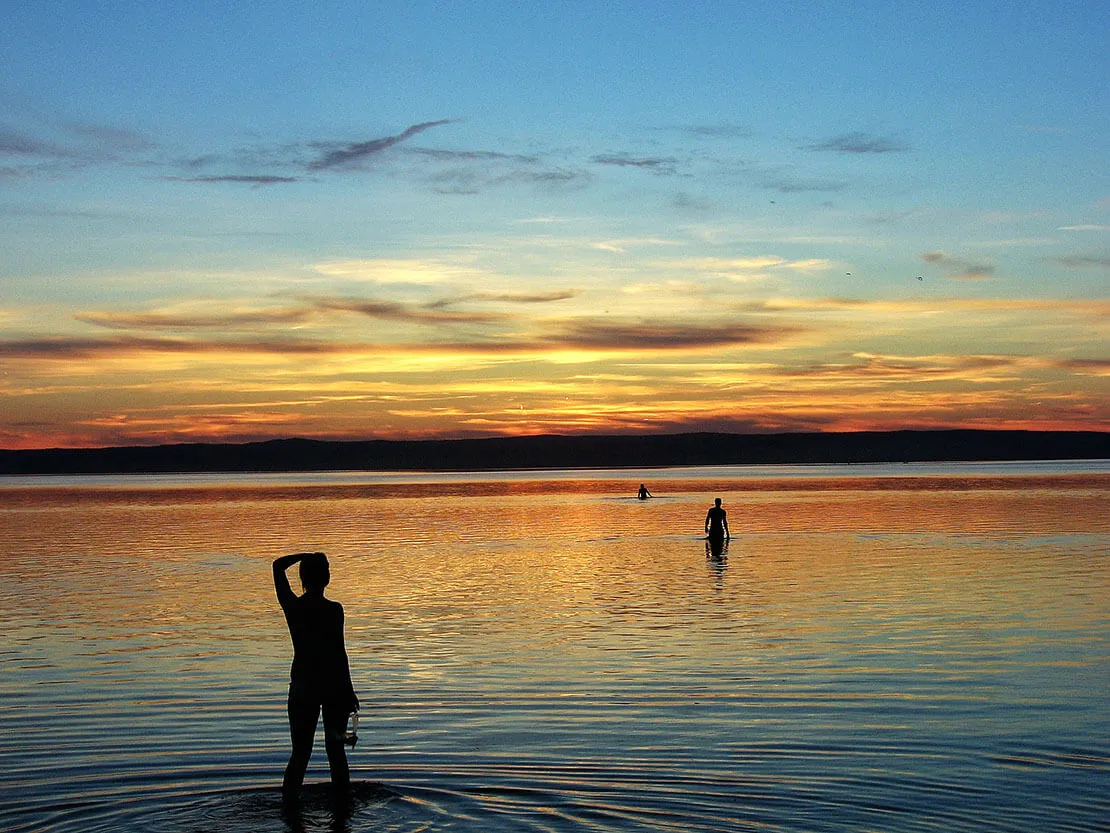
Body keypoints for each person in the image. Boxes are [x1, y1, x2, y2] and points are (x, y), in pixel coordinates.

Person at [273, 551, 359, 793]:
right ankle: (342, 809)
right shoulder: (334, 610)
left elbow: (277, 566)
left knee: (300, 754)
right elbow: (339, 654)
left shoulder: (294, 607)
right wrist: (349, 690)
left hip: (303, 687)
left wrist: (304, 556)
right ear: (326, 578)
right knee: (336, 752)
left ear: (303, 578)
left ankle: (290, 809)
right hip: (332, 687)